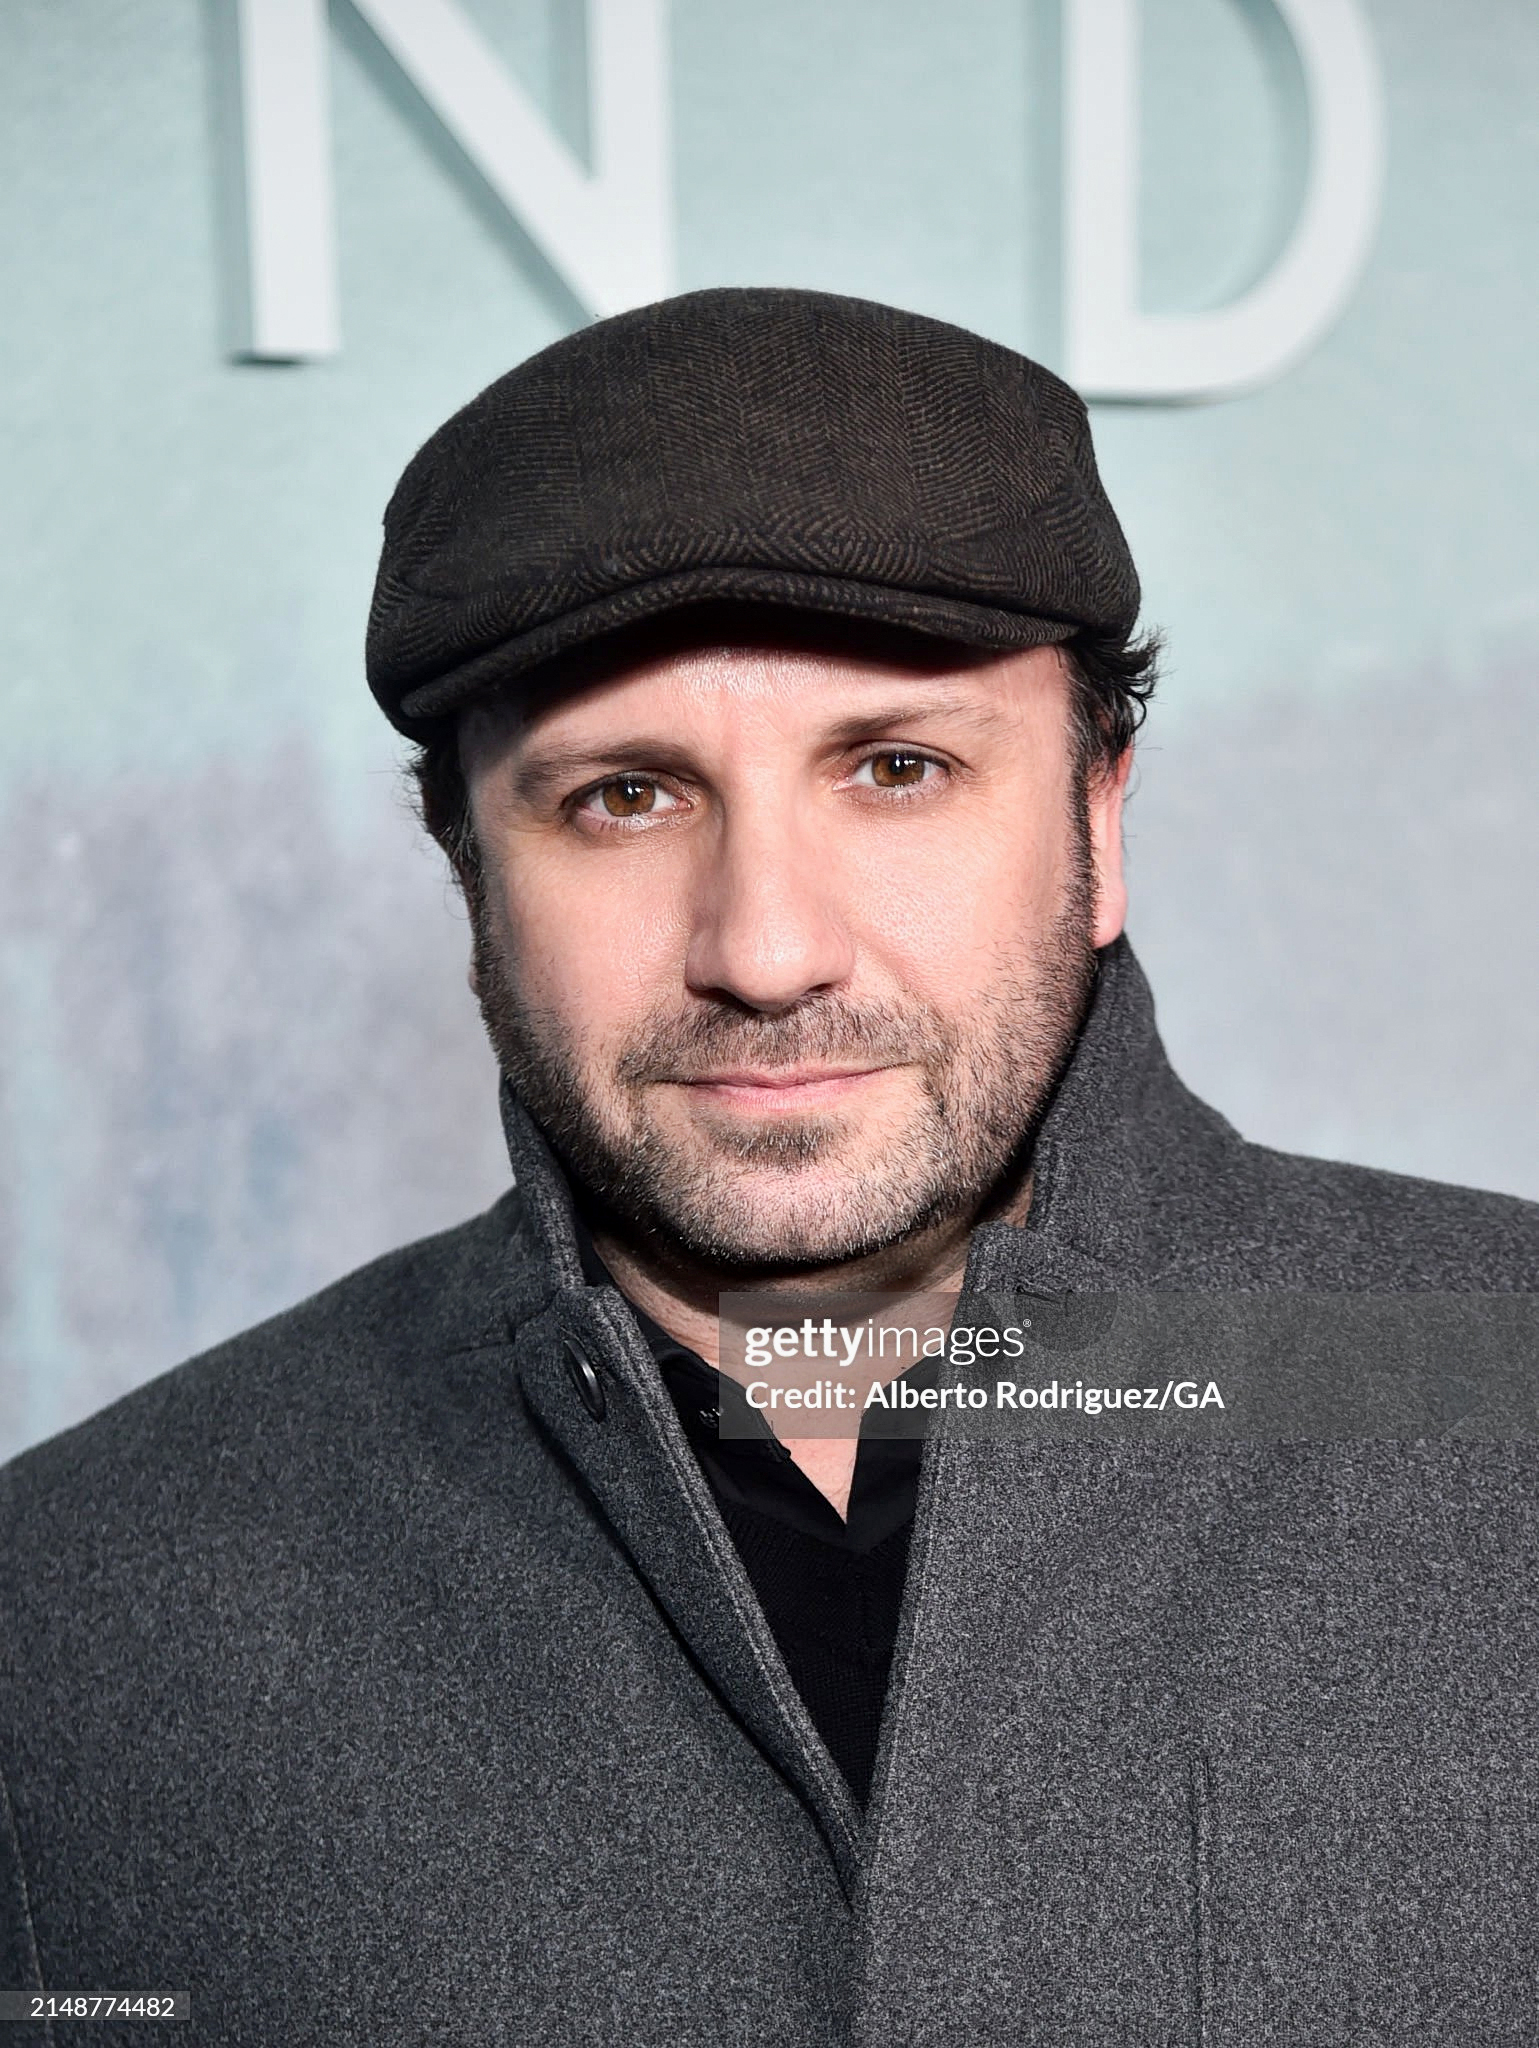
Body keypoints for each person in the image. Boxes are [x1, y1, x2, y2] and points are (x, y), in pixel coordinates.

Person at [2, 288, 1536, 2046]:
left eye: (897, 768)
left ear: (1100, 822)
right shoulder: (69, 1617)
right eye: (623, 798)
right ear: (467, 872)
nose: (767, 948)